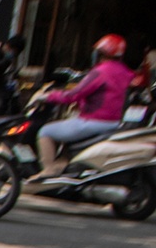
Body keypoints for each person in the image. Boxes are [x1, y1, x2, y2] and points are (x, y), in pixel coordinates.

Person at [36, 33, 133, 177]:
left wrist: (48, 96)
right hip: (113, 123)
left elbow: (74, 94)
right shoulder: (126, 72)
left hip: (93, 121)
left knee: (45, 131)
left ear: (101, 53)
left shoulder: (99, 71)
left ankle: (49, 169)